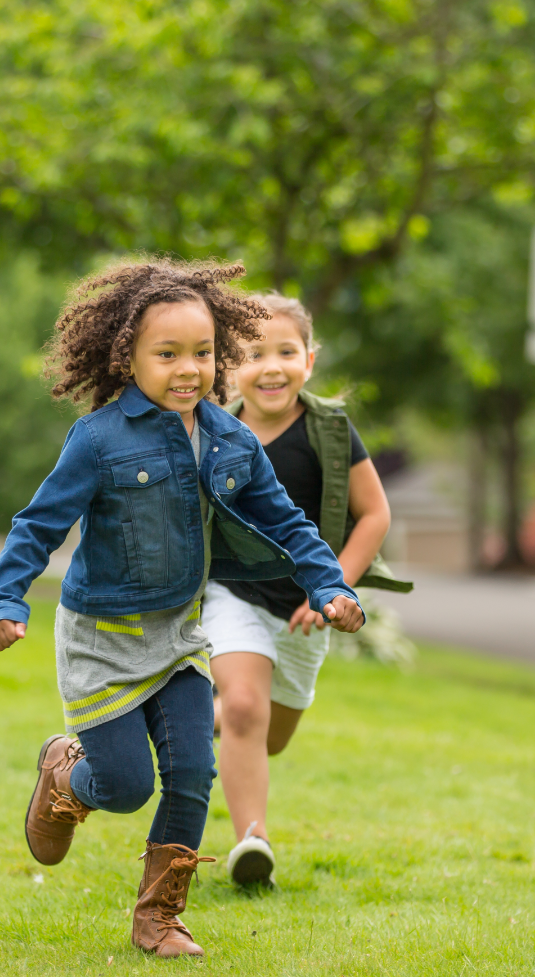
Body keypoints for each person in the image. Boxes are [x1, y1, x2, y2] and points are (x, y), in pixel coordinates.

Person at [0, 259, 364, 960]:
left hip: (181, 634)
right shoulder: (97, 440)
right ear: (127, 357)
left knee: (191, 770)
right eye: (168, 354)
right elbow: (38, 526)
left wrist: (329, 584)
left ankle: (160, 917)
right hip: (102, 639)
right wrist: (2, 599)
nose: (189, 369)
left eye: (204, 353)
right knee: (123, 787)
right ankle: (65, 774)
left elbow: (287, 521)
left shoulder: (228, 438)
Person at [203, 294, 411, 886]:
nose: (271, 366)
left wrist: (330, 588)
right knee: (246, 706)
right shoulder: (213, 430)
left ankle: (207, 715)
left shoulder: (330, 431)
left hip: (304, 609)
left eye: (286, 352)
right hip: (230, 594)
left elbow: (374, 515)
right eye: (252, 353)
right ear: (228, 367)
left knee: (270, 737)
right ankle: (253, 841)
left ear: (309, 360)